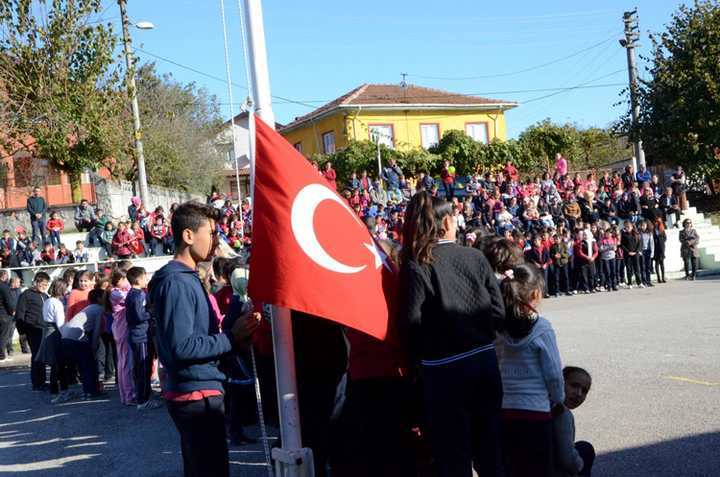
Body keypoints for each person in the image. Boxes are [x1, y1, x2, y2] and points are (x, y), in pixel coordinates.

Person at [147, 201, 259, 477]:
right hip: (194, 393)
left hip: (198, 388)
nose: (215, 239)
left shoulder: (186, 278)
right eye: (210, 232)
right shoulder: (177, 283)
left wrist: (235, 339)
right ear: (187, 236)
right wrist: (231, 338)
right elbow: (182, 346)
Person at [399, 191, 505, 477]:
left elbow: (411, 322)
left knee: (453, 454)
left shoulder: (417, 263)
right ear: (446, 221)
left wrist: (415, 361)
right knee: (490, 448)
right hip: (483, 363)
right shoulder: (474, 256)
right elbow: (498, 311)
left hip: (442, 370)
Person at [499, 263, 564, 477]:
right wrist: (558, 399)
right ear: (536, 293)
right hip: (536, 412)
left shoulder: (499, 328)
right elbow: (553, 374)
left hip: (506, 410)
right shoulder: (542, 328)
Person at [59, 288, 105, 399]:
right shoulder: (99, 309)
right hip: (77, 338)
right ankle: (90, 391)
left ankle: (87, 390)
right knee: (88, 365)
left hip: (65, 336)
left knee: (82, 365)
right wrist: (94, 345)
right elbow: (97, 329)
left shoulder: (88, 308)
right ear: (99, 298)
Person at [553, 367, 594, 477]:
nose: (579, 394)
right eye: (574, 386)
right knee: (586, 450)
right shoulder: (562, 413)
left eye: (584, 391)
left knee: (584, 448)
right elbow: (568, 460)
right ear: (560, 383)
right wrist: (580, 465)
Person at [15, 272, 50, 389]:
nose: (44, 287)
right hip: (32, 330)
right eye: (42, 284)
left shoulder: (45, 296)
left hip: (44, 330)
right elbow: (20, 314)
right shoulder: (26, 295)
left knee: (43, 356)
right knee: (37, 356)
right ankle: (37, 382)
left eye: (46, 285)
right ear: (36, 282)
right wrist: (22, 333)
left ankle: (43, 381)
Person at [40, 279, 72, 403]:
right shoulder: (57, 303)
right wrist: (66, 336)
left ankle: (55, 390)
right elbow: (60, 323)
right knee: (59, 364)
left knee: (54, 364)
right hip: (55, 333)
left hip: (48, 331)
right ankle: (62, 391)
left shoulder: (47, 300)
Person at [110, 270, 135, 405]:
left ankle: (126, 395)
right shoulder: (116, 292)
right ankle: (128, 395)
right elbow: (131, 297)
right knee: (125, 363)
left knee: (123, 362)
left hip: (121, 329)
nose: (126, 281)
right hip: (122, 329)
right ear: (117, 280)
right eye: (124, 278)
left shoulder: (117, 291)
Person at [0, 270, 15, 362]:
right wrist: (12, 310)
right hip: (4, 314)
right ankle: (1, 356)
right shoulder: (4, 287)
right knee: (3, 336)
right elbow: (9, 301)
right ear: (4, 276)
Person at [638, 221, 655, 287]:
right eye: (641, 225)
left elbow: (652, 243)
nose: (642, 227)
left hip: (648, 251)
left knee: (648, 267)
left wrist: (652, 252)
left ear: (646, 226)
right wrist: (639, 251)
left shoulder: (649, 233)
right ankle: (644, 281)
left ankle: (648, 281)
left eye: (644, 225)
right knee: (642, 267)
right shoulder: (639, 233)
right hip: (641, 251)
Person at [653, 218, 667, 284]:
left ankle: (663, 277)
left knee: (662, 263)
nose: (656, 223)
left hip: (661, 247)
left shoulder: (662, 230)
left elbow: (665, 238)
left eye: (657, 222)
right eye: (655, 222)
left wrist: (659, 240)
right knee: (657, 263)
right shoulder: (653, 230)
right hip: (656, 248)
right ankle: (658, 278)